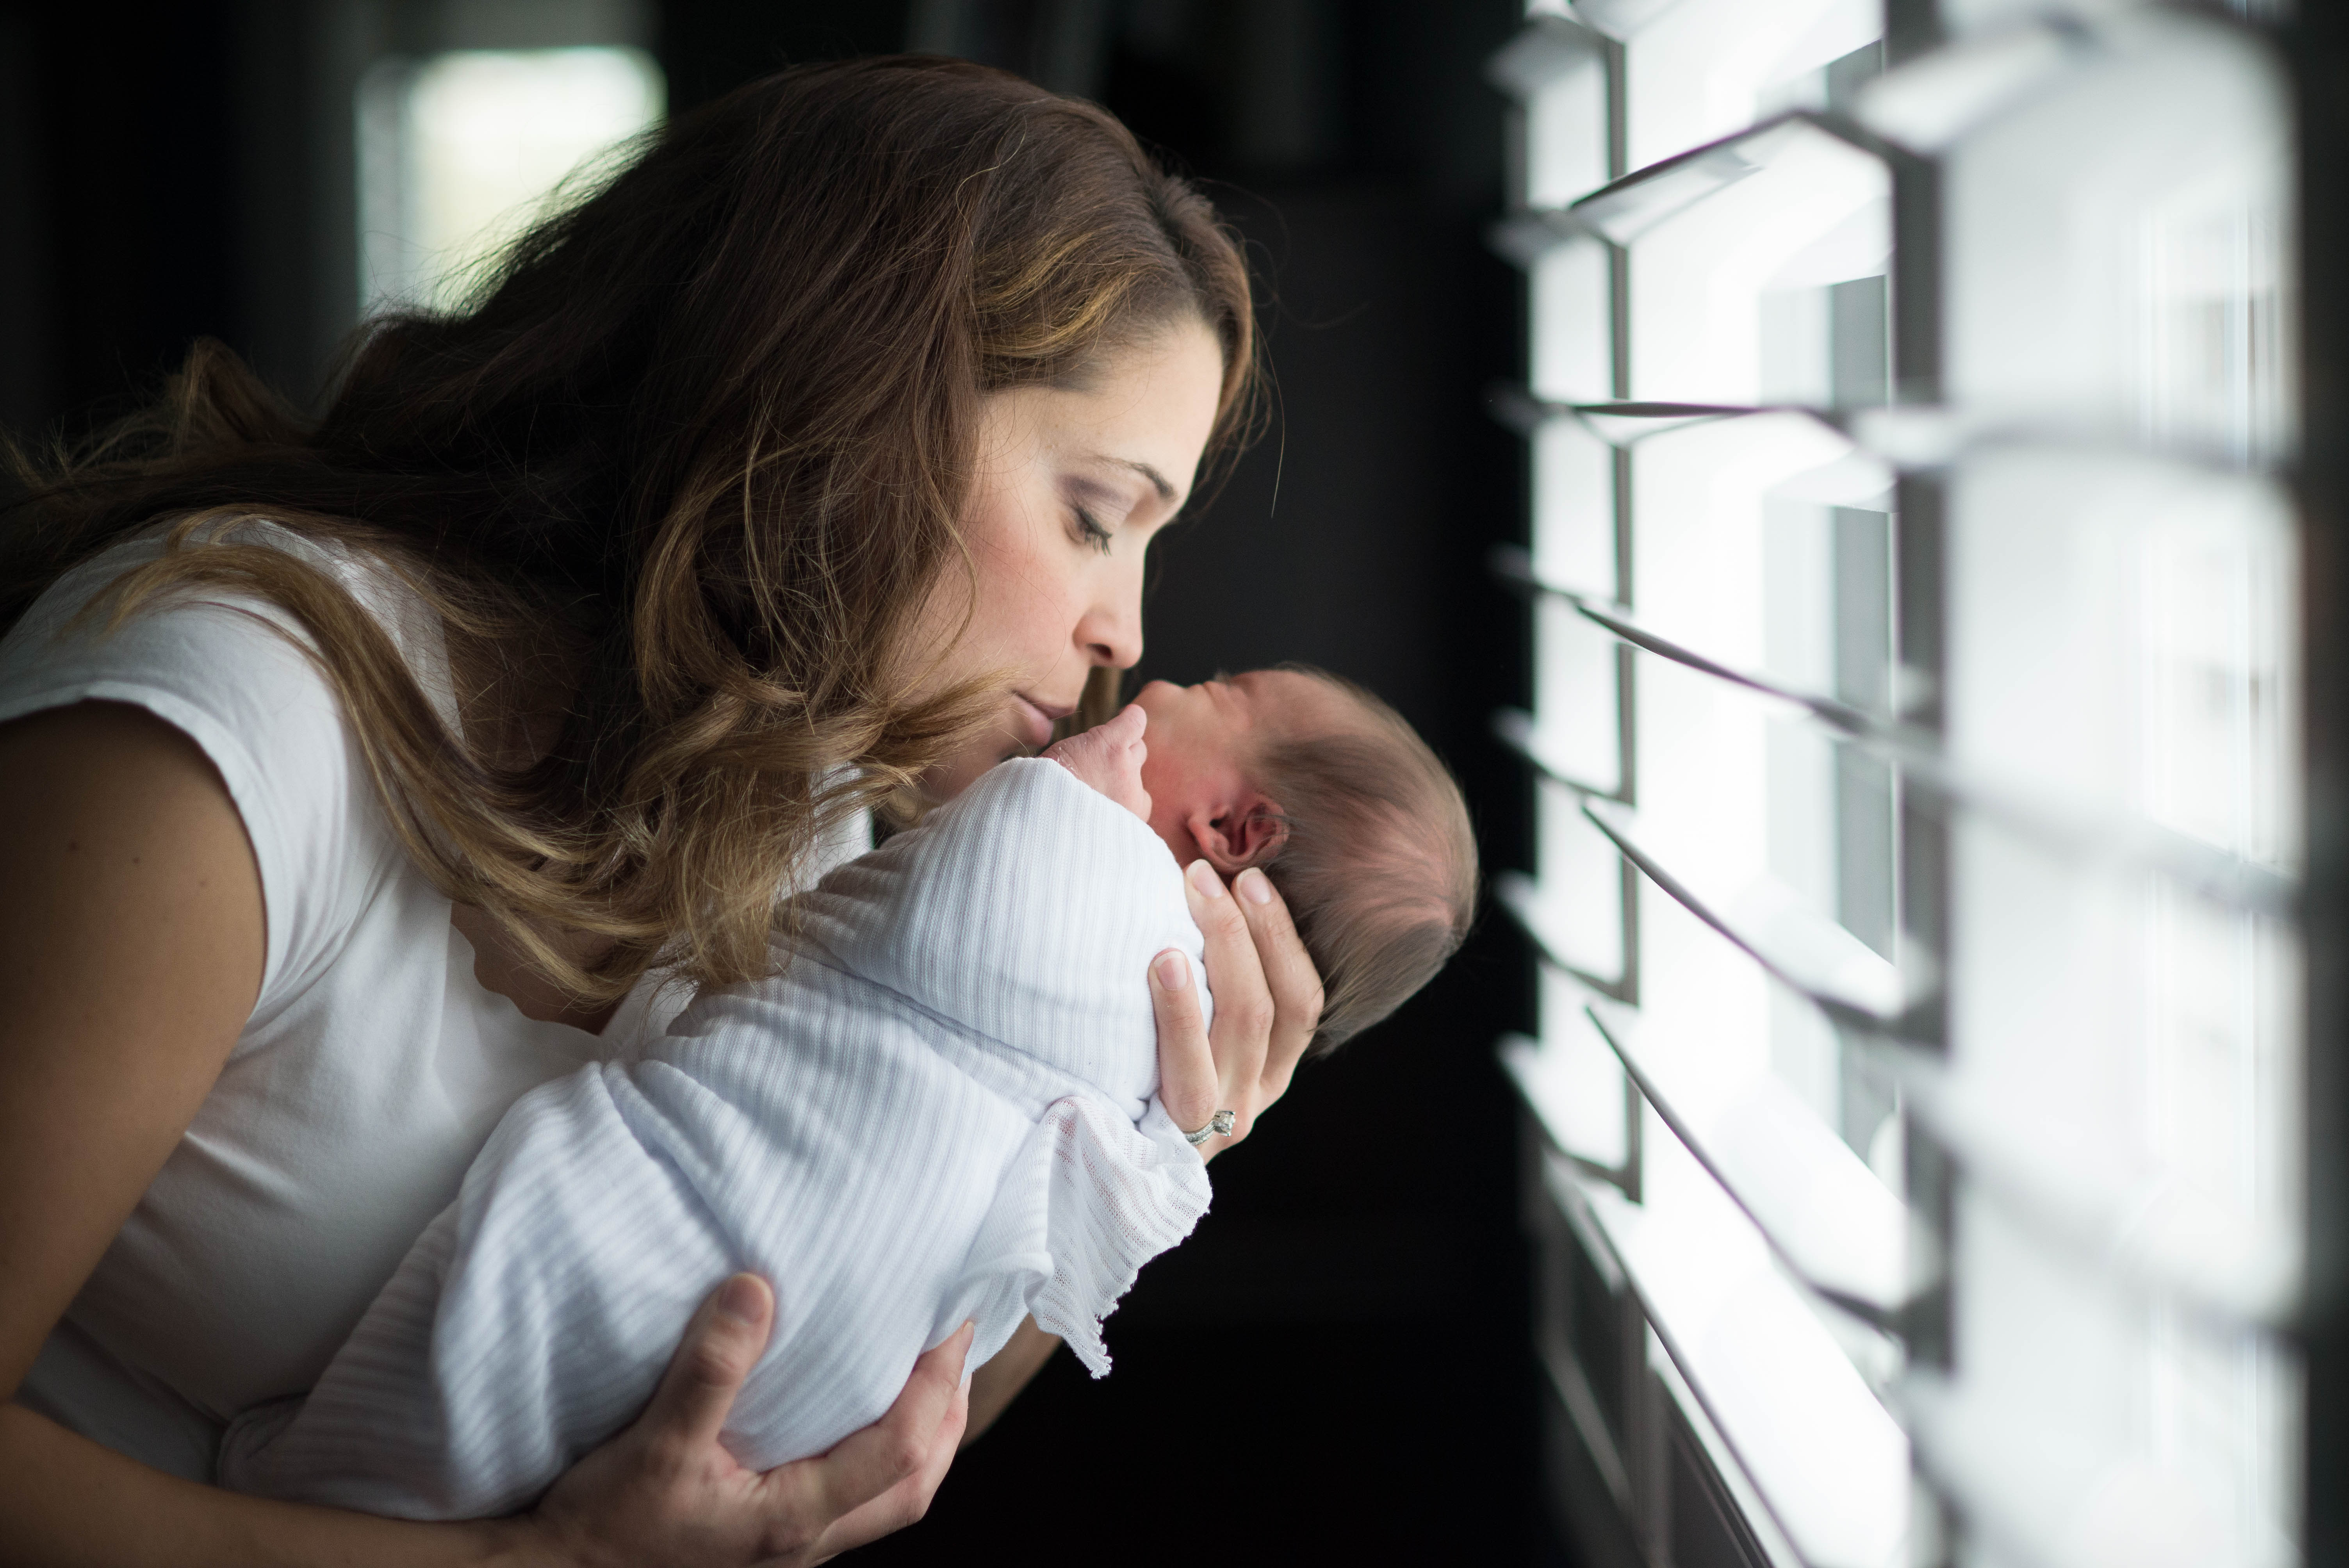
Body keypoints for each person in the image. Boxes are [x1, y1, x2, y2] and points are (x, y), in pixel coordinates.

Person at [0, 57, 1329, 1566]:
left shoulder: (799, 801)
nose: (1127, 635)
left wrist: (1153, 1143)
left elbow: (839, 1394)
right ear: (851, 395)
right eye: (1094, 514)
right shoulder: (218, 743)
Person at [217, 677, 1477, 1519]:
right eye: (1092, 514)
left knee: (515, 1316)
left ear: (1237, 831)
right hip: (761, 1356)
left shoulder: (1099, 908)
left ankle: (317, 1476)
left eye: (1218, 697)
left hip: (707, 1288)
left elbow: (943, 1375)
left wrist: (1173, 1161)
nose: (1142, 662)